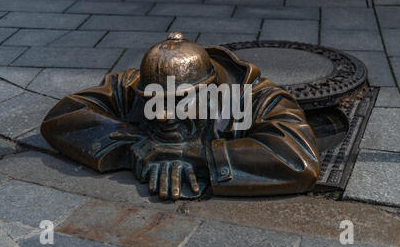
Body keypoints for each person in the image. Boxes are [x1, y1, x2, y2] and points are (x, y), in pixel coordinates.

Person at [41, 32, 320, 200]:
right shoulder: (133, 85)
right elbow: (64, 116)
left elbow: (299, 159)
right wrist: (134, 144)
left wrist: (192, 153)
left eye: (180, 104)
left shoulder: (258, 97)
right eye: (154, 103)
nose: (163, 117)